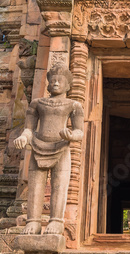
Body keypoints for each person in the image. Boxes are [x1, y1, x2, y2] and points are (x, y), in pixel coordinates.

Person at [13, 65, 84, 236]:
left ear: (68, 86)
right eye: (52, 80)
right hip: (38, 145)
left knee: (59, 185)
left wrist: (71, 136)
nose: (56, 83)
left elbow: (79, 131)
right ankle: (33, 221)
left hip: (61, 147)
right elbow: (29, 128)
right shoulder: (37, 103)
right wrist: (24, 137)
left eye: (60, 81)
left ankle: (56, 221)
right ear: (47, 84)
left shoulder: (74, 105)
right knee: (36, 185)